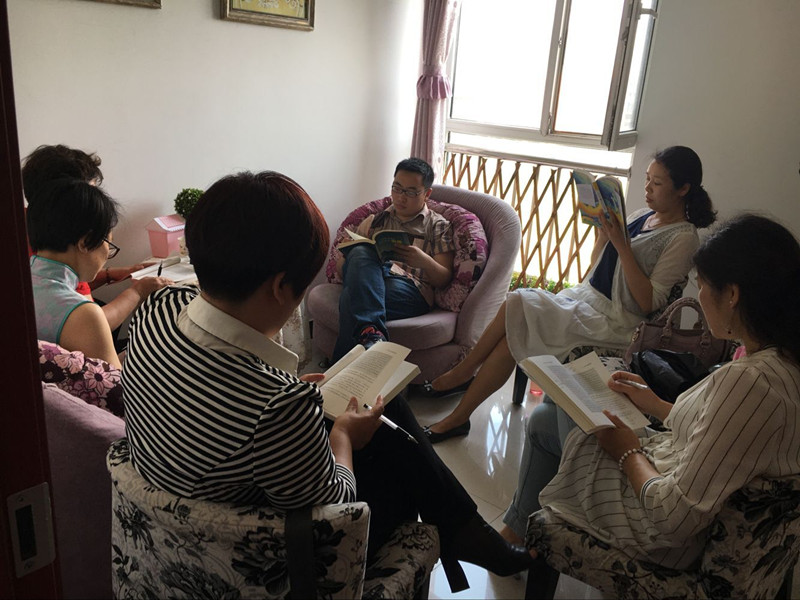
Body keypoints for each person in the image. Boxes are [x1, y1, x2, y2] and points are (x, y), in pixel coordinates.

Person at [121, 170, 533, 593]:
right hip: (272, 560)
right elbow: (337, 504)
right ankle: (464, 533)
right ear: (280, 287)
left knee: (382, 403)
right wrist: (342, 436)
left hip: (177, 512)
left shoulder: (158, 309)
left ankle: (467, 532)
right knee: (400, 463)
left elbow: (220, 392)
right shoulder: (281, 406)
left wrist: (299, 390)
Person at [501, 214, 800, 570]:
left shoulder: (751, 382)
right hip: (670, 470)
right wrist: (656, 404)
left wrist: (627, 452)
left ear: (732, 295)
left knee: (566, 400)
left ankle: (524, 541)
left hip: (658, 529)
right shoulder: (778, 361)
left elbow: (673, 518)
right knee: (543, 418)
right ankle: (518, 535)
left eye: (702, 285)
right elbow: (722, 437)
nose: (699, 296)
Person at [422, 146, 717, 442]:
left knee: (517, 300)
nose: (648, 188)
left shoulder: (683, 238)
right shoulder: (642, 216)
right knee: (511, 335)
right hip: (588, 299)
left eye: (657, 182)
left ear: (683, 189)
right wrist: (603, 236)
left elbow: (648, 303)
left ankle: (462, 374)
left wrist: (623, 246)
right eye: (647, 179)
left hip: (618, 321)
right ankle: (459, 415)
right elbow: (597, 268)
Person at [22, 144, 166, 333]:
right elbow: (91, 326)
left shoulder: (33, 231)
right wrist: (137, 292)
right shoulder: (68, 246)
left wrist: (110, 274)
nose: (97, 200)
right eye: (90, 193)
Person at [331, 157, 455, 362]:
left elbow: (444, 278)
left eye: (411, 192)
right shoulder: (375, 220)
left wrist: (424, 261)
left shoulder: (438, 225)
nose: (400, 197)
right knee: (360, 253)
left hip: (412, 290)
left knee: (351, 299)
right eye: (396, 188)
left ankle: (338, 370)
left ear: (427, 194)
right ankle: (372, 337)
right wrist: (348, 253)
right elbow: (342, 272)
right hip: (374, 280)